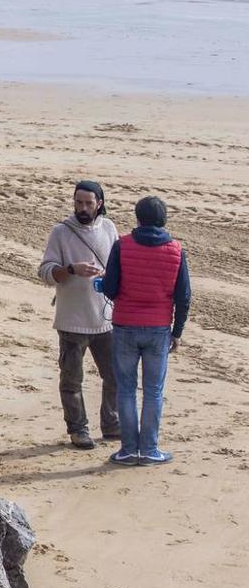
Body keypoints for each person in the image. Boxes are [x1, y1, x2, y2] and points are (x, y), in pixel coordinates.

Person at [101, 196, 191, 466]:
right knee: (153, 390)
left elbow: (110, 287)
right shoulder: (176, 250)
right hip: (158, 328)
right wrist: (177, 331)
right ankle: (150, 449)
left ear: (138, 218)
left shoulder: (122, 245)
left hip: (126, 325)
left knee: (126, 389)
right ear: (164, 219)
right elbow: (184, 296)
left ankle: (129, 449)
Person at [38, 181, 120, 449]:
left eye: (88, 203)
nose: (82, 208)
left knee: (115, 376)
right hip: (72, 321)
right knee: (72, 380)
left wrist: (111, 276)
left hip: (105, 320)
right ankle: (78, 430)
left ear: (100, 203)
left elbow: (119, 267)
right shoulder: (61, 232)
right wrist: (71, 269)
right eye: (78, 202)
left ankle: (112, 424)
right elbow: (45, 272)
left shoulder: (109, 228)